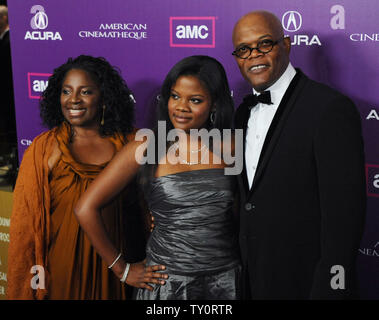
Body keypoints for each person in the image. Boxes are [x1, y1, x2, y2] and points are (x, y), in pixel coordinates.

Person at [75, 55, 241, 300]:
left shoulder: (232, 147)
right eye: (175, 96)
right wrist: (122, 269)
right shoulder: (146, 146)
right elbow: (85, 208)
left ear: (215, 104)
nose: (181, 107)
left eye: (195, 100)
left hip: (226, 282)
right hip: (168, 284)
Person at [232, 11, 366, 299]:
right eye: (244, 49)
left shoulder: (329, 109)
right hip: (252, 280)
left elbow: (344, 219)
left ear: (287, 44)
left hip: (307, 283)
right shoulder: (242, 113)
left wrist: (332, 288)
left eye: (264, 44)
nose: (254, 55)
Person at [7, 55, 158, 300]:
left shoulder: (132, 143)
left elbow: (155, 204)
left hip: (123, 269)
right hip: (63, 270)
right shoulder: (44, 149)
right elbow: (26, 226)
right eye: (66, 91)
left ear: (105, 97)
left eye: (85, 91)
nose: (73, 100)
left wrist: (126, 267)